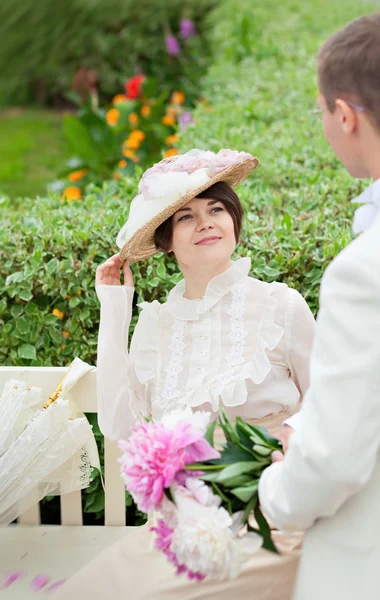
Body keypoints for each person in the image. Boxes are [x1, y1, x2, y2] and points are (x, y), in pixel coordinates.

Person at [54, 148, 316, 600]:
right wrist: (115, 311)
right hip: (182, 527)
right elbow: (120, 426)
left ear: (234, 221)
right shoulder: (156, 326)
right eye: (187, 217)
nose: (208, 222)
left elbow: (329, 407)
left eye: (217, 209)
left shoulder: (280, 306)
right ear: (166, 242)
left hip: (271, 522)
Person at [258, 13, 380, 600]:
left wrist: (275, 488)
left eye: (321, 113)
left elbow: (335, 462)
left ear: (345, 115)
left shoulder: (362, 272)